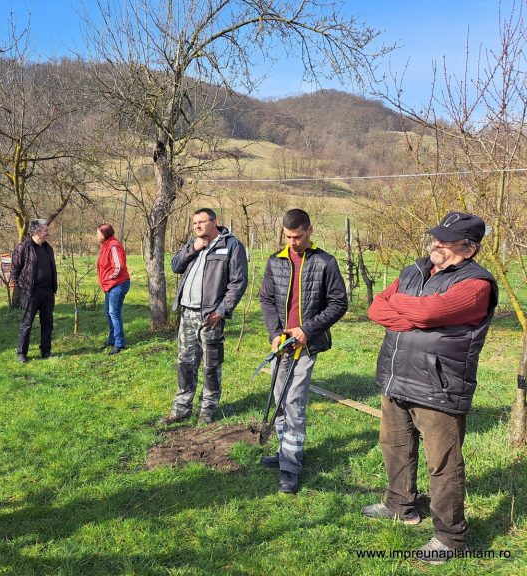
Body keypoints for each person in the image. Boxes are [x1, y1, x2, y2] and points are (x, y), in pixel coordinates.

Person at [362, 211, 498, 564]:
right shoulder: (415, 270)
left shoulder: (476, 284)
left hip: (439, 385)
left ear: (469, 249)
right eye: (435, 237)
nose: (435, 244)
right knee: (394, 446)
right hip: (396, 375)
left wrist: (411, 309)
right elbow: (376, 309)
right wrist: (416, 312)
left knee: (444, 464)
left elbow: (427, 313)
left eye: (445, 240)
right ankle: (399, 505)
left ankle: (450, 538)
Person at [257, 208, 348, 494]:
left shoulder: (325, 262)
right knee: (279, 401)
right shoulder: (275, 261)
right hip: (281, 346)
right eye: (287, 237)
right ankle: (285, 451)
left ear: (309, 230)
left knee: (294, 402)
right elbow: (266, 299)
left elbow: (338, 303)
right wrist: (275, 333)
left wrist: (307, 330)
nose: (292, 242)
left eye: (297, 236)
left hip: (305, 346)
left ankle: (291, 467)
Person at [160, 208, 248, 426]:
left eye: (202, 221)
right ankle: (181, 408)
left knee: (211, 365)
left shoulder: (231, 246)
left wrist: (221, 311)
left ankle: (207, 410)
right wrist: (193, 249)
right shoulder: (193, 243)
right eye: (194, 223)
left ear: (215, 222)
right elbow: (175, 266)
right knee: (185, 363)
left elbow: (238, 283)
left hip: (210, 316)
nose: (197, 226)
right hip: (187, 313)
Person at [9, 219, 58, 363]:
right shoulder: (23, 247)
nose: (48, 233)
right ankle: (21, 353)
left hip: (48, 292)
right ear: (37, 231)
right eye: (46, 230)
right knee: (26, 324)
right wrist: (21, 287)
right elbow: (15, 271)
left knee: (47, 323)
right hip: (30, 293)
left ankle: (46, 351)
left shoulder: (48, 248)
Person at [96, 223, 131, 354]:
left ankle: (119, 343)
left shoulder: (113, 245)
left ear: (104, 233)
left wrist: (108, 278)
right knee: (109, 312)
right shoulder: (105, 245)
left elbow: (119, 266)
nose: (96, 235)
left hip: (118, 284)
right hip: (110, 285)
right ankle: (112, 339)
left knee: (114, 313)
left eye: (98, 232)